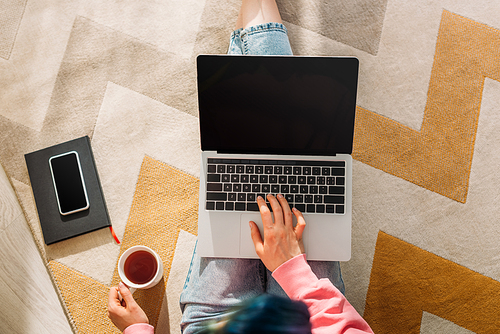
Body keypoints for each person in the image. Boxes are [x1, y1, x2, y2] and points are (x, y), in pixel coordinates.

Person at [108, 1, 374, 333]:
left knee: (246, 151)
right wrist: (292, 268)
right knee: (287, 142)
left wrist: (137, 329)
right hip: (305, 321)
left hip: (217, 326)